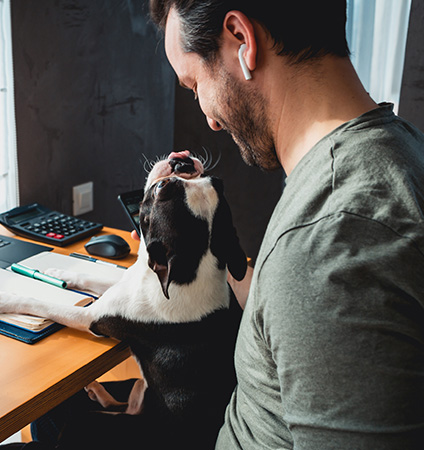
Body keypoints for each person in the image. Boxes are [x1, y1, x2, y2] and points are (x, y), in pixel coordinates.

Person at [149, 0, 424, 449]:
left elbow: (317, 277)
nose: (211, 120)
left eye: (195, 85)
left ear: (242, 39)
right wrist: (222, 249)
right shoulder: (400, 149)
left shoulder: (332, 237)